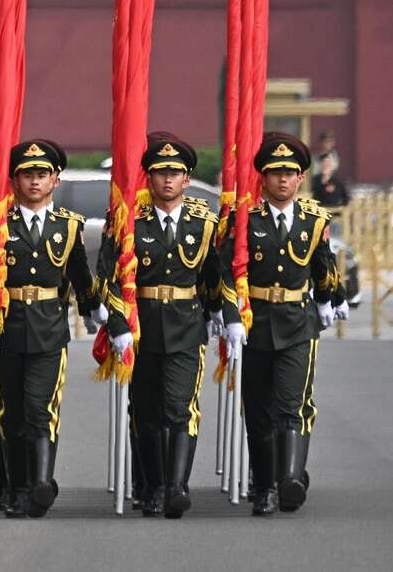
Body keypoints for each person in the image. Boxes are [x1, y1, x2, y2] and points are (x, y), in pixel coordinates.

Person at [0, 139, 97, 520]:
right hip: (7, 328)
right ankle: (16, 487)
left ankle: (39, 485)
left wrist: (97, 307)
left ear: (55, 180)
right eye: (28, 175)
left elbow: (78, 275)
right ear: (14, 180)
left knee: (41, 410)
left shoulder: (69, 225)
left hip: (49, 329)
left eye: (43, 175)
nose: (35, 182)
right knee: (13, 413)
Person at [218, 132, 346, 518]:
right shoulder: (244, 222)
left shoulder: (314, 219)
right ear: (263, 178)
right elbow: (226, 271)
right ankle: (264, 486)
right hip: (255, 323)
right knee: (258, 412)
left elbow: (324, 266)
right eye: (275, 173)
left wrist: (330, 298)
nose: (283, 180)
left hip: (297, 324)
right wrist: (230, 317)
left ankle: (289, 479)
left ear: (301, 177)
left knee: (291, 405)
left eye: (290, 172)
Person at [97, 134, 217, 519]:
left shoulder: (205, 224)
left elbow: (217, 277)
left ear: (187, 179)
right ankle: (152, 486)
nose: (167, 179)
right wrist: (117, 323)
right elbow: (107, 278)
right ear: (148, 178)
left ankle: (176, 486)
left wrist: (225, 315)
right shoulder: (128, 223)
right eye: (160, 172)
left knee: (181, 409)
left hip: (186, 326)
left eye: (175, 173)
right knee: (147, 413)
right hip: (142, 326)